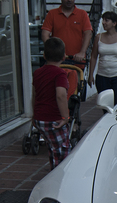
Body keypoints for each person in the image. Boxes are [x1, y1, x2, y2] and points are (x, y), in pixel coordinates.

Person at [33, 38, 71, 170]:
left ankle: (54, 170)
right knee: (62, 150)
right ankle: (59, 178)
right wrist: (65, 117)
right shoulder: (60, 73)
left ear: (44, 56)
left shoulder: (37, 72)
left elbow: (35, 94)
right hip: (53, 118)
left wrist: (34, 114)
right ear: (64, 56)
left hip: (40, 118)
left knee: (53, 148)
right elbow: (60, 95)